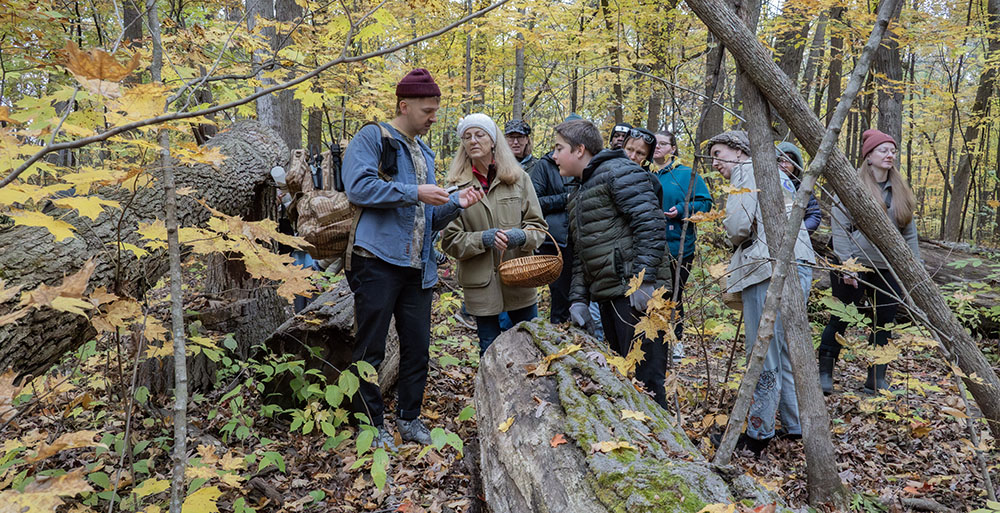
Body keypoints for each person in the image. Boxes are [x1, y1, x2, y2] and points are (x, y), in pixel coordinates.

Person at [342, 68, 484, 449]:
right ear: (404, 106)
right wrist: (415, 191)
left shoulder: (425, 152)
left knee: (418, 346)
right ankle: (370, 427)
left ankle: (409, 419)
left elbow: (427, 217)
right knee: (370, 347)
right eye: (427, 110)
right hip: (377, 260)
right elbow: (358, 188)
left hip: (419, 265)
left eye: (436, 110)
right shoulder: (374, 137)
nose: (433, 117)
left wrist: (455, 204)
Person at [555, 118, 672, 408]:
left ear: (580, 150)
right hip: (609, 294)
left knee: (648, 379)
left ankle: (664, 447)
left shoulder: (619, 172)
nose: (554, 156)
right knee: (624, 373)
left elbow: (650, 223)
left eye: (559, 148)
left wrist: (644, 281)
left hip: (636, 295)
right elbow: (583, 254)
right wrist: (579, 300)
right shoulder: (579, 190)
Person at [711, 130, 815, 456]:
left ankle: (758, 433)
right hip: (800, 262)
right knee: (783, 348)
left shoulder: (747, 170)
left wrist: (729, 235)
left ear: (739, 150)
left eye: (718, 153)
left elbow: (738, 226)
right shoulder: (774, 171)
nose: (715, 162)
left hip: (767, 264)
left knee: (762, 349)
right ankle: (795, 424)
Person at [819, 129, 919, 395]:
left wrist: (914, 269)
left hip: (887, 267)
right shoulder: (853, 186)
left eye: (892, 150)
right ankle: (825, 374)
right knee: (841, 317)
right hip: (855, 264)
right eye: (883, 150)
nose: (890, 155)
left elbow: (909, 231)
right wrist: (847, 265)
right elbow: (839, 228)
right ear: (869, 156)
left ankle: (876, 378)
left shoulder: (900, 189)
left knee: (885, 321)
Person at [441, 114, 547, 353]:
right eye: (467, 137)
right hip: (481, 285)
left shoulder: (519, 179)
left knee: (530, 346)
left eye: (480, 134)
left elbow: (538, 228)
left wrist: (520, 237)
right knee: (489, 350)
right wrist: (483, 239)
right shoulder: (455, 187)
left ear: (493, 141)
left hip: (520, 279)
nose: (473, 140)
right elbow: (449, 241)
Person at [654, 129, 713, 360]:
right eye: (655, 143)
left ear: (673, 148)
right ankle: (654, 342)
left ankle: (676, 343)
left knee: (673, 296)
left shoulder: (686, 174)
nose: (658, 147)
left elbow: (705, 203)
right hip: (648, 246)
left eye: (663, 143)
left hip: (678, 246)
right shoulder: (643, 173)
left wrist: (680, 210)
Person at [776, 142, 822, 234]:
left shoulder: (803, 187)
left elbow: (814, 215)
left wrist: (799, 233)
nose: (783, 165)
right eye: (780, 160)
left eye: (788, 161)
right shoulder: (767, 185)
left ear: (795, 164)